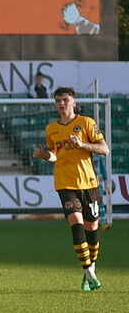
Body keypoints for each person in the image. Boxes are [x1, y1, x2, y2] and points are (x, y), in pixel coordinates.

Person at [32, 87, 110, 291]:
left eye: (65, 100)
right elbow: (56, 155)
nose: (61, 103)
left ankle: (90, 268)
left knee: (91, 228)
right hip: (65, 183)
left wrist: (83, 144)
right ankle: (89, 273)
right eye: (58, 100)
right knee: (76, 224)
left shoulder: (86, 123)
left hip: (88, 182)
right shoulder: (52, 129)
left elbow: (104, 149)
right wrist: (44, 155)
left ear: (74, 102)